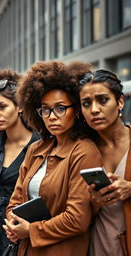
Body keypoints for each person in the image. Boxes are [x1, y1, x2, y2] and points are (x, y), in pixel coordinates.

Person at [3, 61, 103, 256]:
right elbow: (14, 201)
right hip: (27, 249)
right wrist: (13, 224)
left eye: (60, 108)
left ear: (76, 110)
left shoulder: (84, 151)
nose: (51, 116)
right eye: (45, 110)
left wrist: (30, 230)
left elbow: (77, 219)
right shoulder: (36, 149)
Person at [0, 69, 39, 256]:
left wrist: (27, 228)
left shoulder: (39, 147)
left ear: (19, 106)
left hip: (25, 235)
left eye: (2, 107)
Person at [78, 69, 131, 256]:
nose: (94, 110)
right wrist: (94, 202)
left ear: (120, 102)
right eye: (86, 103)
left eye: (102, 100)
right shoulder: (83, 151)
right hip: (98, 245)